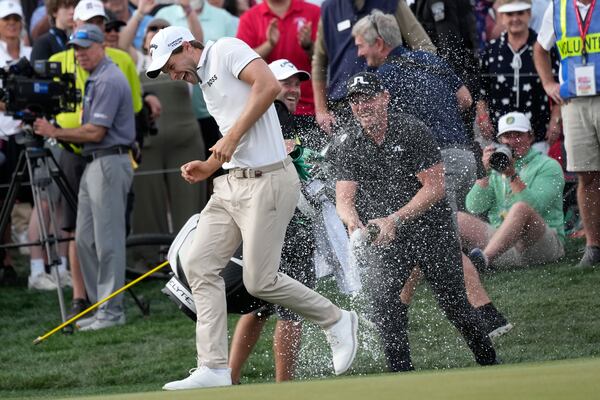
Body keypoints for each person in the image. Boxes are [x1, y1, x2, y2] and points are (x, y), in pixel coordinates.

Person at [145, 26, 358, 390]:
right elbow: (236, 134)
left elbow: (268, 87)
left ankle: (337, 319)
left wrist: (228, 139)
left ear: (185, 46)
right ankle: (213, 367)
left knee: (259, 280)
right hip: (231, 183)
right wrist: (209, 166)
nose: (171, 74)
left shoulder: (226, 49)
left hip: (271, 181)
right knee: (198, 264)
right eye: (164, 71)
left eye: (170, 64)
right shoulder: (205, 85)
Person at [351, 10, 512, 339]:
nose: (358, 53)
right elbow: (465, 100)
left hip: (438, 163)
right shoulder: (431, 62)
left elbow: (384, 126)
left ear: (379, 43)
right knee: (421, 239)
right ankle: (388, 312)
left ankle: (489, 317)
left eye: (360, 46)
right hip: (463, 156)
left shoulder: (385, 79)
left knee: (442, 246)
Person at [334, 71, 497, 372]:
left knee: (455, 306)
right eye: (356, 101)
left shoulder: (411, 130)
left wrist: (394, 218)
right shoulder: (348, 142)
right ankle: (401, 376)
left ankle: (490, 363)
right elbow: (343, 199)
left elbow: (435, 188)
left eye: (368, 97)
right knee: (385, 306)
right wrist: (353, 222)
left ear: (385, 98)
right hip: (387, 235)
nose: (362, 105)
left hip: (431, 230)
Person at [34, 24, 135, 331]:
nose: (79, 54)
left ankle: (112, 312)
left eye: (85, 48)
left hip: (109, 159)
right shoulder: (96, 78)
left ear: (101, 45)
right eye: (76, 49)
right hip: (94, 161)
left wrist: (54, 132)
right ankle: (101, 306)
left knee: (108, 242)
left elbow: (96, 131)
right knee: (86, 239)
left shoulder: (108, 78)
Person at [228, 59, 317, 384]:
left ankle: (230, 378)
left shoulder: (264, 117)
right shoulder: (275, 115)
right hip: (287, 227)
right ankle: (284, 388)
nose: (292, 90)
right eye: (285, 83)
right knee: (292, 310)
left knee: (260, 307)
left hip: (262, 220)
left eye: (296, 83)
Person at [533, 0, 600, 267]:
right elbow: (540, 49)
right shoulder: (558, 7)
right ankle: (593, 246)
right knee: (586, 175)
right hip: (573, 102)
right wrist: (549, 83)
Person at [459, 112, 565, 270]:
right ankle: (450, 268)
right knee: (458, 218)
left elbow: (536, 209)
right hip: (504, 247)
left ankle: (483, 261)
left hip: (541, 244)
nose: (513, 142)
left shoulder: (548, 166)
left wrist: (512, 175)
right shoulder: (495, 166)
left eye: (519, 135)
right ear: (500, 140)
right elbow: (475, 207)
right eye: (508, 137)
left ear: (530, 137)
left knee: (521, 208)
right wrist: (484, 172)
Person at [311, 0, 435, 134]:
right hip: (342, 108)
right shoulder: (329, 8)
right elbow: (318, 63)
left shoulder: (391, 2)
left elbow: (424, 47)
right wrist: (321, 110)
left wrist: (420, 87)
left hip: (384, 104)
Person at [477, 0, 561, 153]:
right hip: (501, 138)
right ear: (501, 17)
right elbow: (482, 92)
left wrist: (556, 121)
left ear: (529, 14)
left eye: (520, 13)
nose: (515, 19)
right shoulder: (490, 51)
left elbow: (557, 88)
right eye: (509, 14)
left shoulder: (544, 49)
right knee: (501, 177)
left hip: (537, 135)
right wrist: (482, 117)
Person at [236, 0, 322, 147]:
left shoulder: (314, 12)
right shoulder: (249, 17)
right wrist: (268, 45)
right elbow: (239, 64)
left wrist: (309, 46)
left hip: (310, 109)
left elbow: (326, 60)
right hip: (269, 111)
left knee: (313, 163)